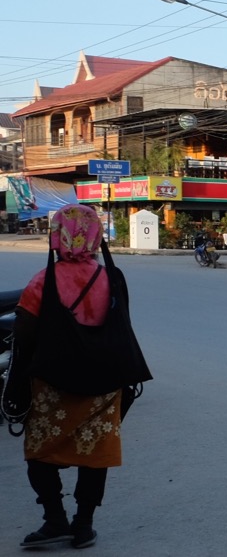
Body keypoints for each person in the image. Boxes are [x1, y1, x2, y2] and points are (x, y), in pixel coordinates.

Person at [10, 204, 128, 549]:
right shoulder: (112, 277)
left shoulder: (42, 281)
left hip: (53, 384)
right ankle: (83, 525)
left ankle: (54, 519)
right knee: (95, 454)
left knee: (40, 452)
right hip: (104, 384)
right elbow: (122, 329)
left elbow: (23, 335)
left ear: (56, 235)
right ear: (96, 236)